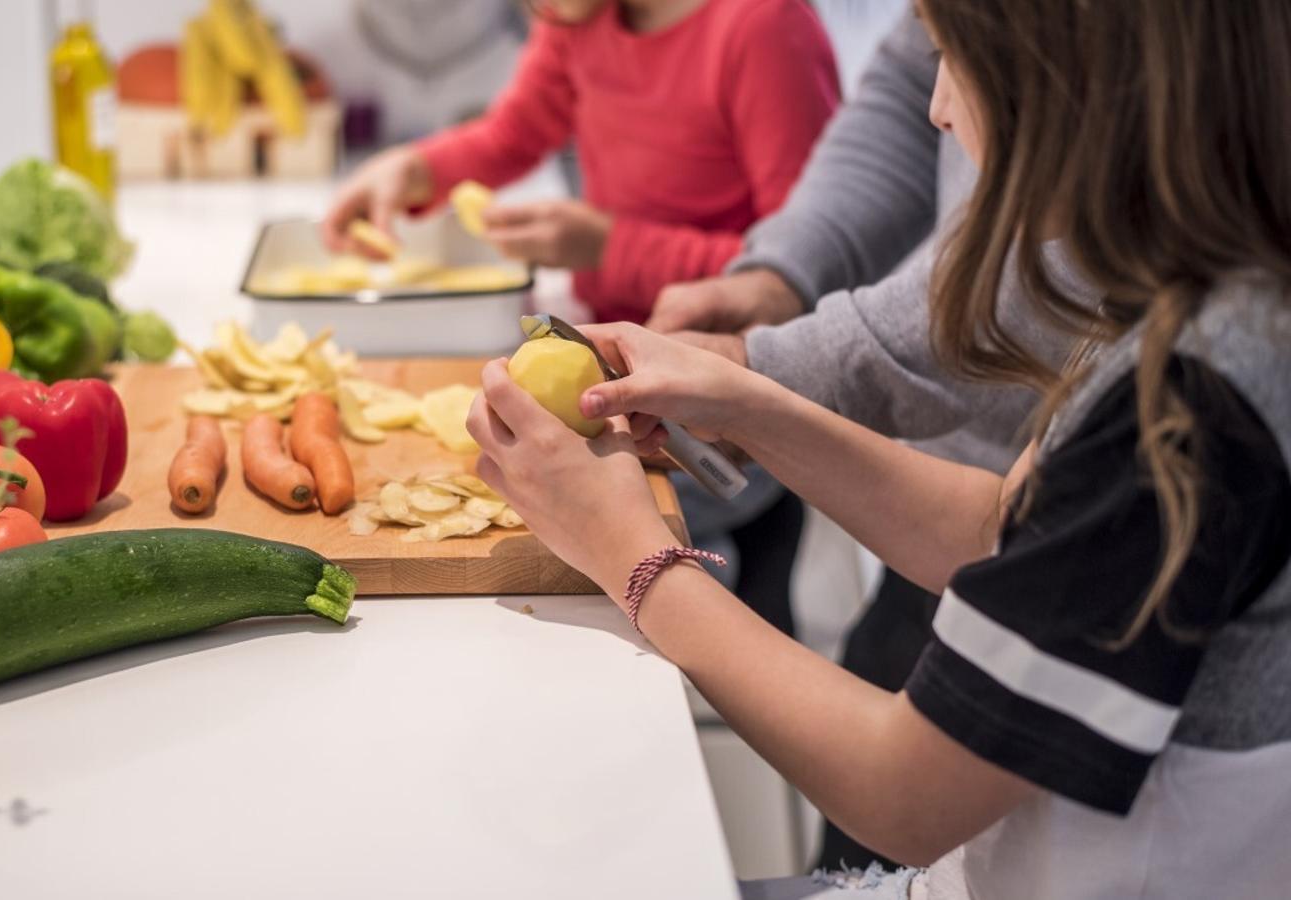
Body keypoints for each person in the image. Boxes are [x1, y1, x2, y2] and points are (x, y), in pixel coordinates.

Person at [467, 0, 1291, 896]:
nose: (937, 109)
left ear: (1074, 82)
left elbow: (905, 792)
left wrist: (632, 556)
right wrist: (751, 402)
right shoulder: (1193, 304)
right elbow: (1002, 529)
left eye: (950, 59)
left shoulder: (1191, 407)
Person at [320, 0, 840, 324]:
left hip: (732, 386)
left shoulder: (766, 27)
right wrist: (413, 170)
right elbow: (513, 135)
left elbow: (796, 275)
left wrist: (606, 247)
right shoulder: (579, 13)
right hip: (618, 343)